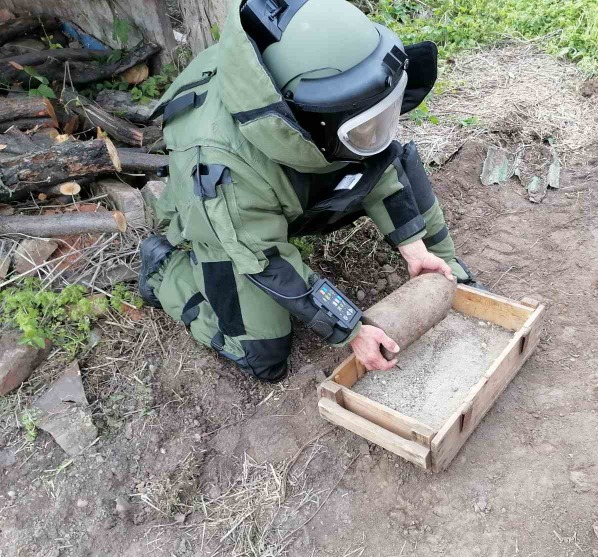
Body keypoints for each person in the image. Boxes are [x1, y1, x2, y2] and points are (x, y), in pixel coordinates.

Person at [139, 0, 481, 382]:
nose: (382, 131)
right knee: (261, 356)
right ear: (305, 119)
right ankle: (164, 271)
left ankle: (446, 269)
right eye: (365, 124)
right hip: (229, 223)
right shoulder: (225, 171)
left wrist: (415, 245)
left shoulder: (334, 111)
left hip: (295, 173)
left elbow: (378, 164)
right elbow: (265, 259)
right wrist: (351, 329)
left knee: (393, 158)